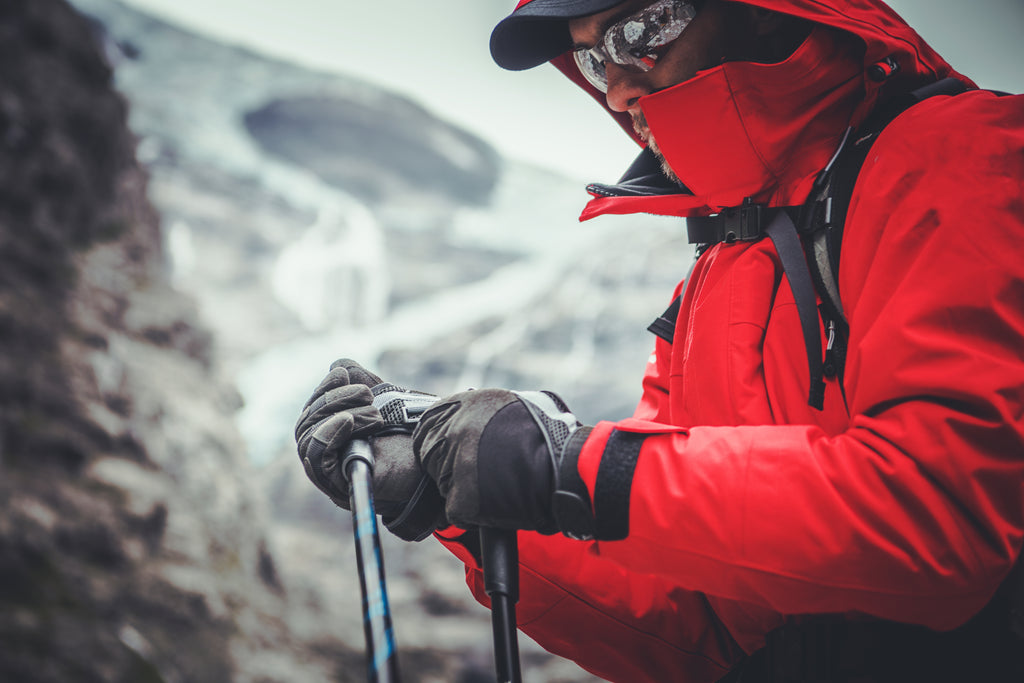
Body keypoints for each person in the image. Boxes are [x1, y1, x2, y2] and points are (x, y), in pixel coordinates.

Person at [294, 1, 1024, 681]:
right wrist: (460, 502)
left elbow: (941, 524)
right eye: (591, 59)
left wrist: (570, 467)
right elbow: (696, 624)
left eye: (640, 33)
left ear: (760, 14)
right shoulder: (724, 265)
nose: (615, 90)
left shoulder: (961, 155)